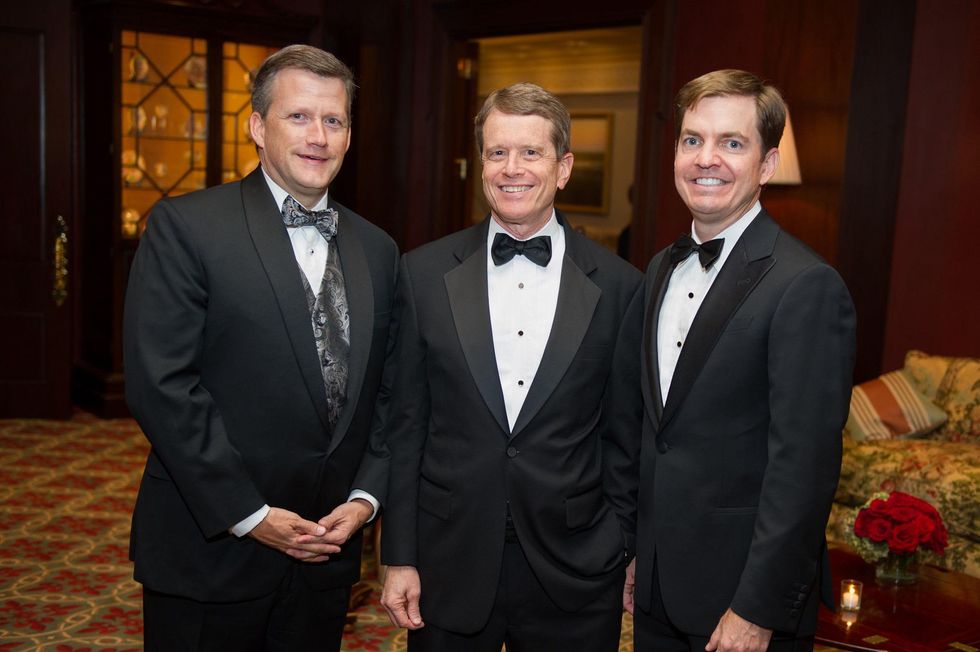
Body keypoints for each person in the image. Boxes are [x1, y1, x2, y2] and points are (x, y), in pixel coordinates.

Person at [123, 44, 398, 651]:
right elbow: (162, 386)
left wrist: (365, 497)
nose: (319, 136)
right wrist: (251, 515)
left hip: (325, 551)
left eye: (334, 120)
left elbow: (387, 390)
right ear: (256, 127)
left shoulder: (379, 249)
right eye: (298, 116)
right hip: (212, 548)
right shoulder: (186, 228)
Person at [378, 82, 643, 650]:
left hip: (576, 566)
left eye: (531, 153)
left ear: (563, 167)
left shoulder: (622, 287)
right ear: (481, 165)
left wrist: (624, 543)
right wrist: (398, 554)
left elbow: (625, 435)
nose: (511, 169)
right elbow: (405, 425)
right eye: (497, 153)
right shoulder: (421, 274)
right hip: (447, 560)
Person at [623, 69, 856, 651]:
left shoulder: (806, 285)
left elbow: (803, 470)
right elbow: (654, 432)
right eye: (692, 140)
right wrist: (635, 553)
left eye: (732, 143)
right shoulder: (659, 269)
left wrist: (757, 608)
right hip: (657, 587)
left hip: (743, 604)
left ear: (768, 165)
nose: (707, 159)